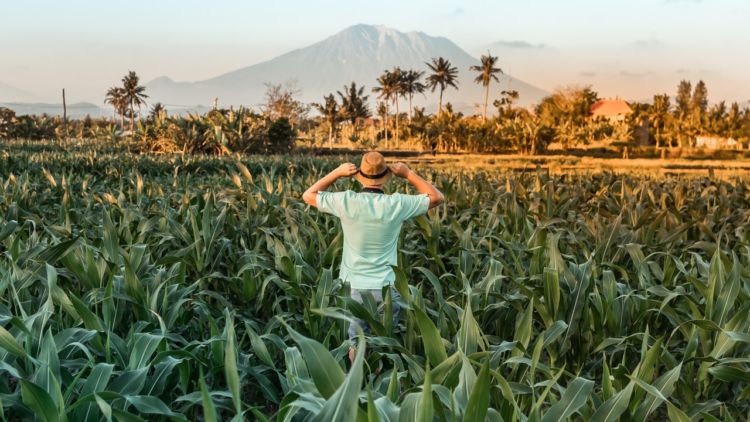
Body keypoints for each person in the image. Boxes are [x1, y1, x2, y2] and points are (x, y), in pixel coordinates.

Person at [302, 151, 445, 362]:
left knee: (356, 346)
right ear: (385, 176)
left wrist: (337, 173)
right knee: (383, 345)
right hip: (387, 289)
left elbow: (308, 195)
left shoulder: (347, 201)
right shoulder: (396, 203)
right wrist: (408, 174)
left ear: (360, 174)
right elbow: (437, 198)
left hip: (354, 289)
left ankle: (359, 388)